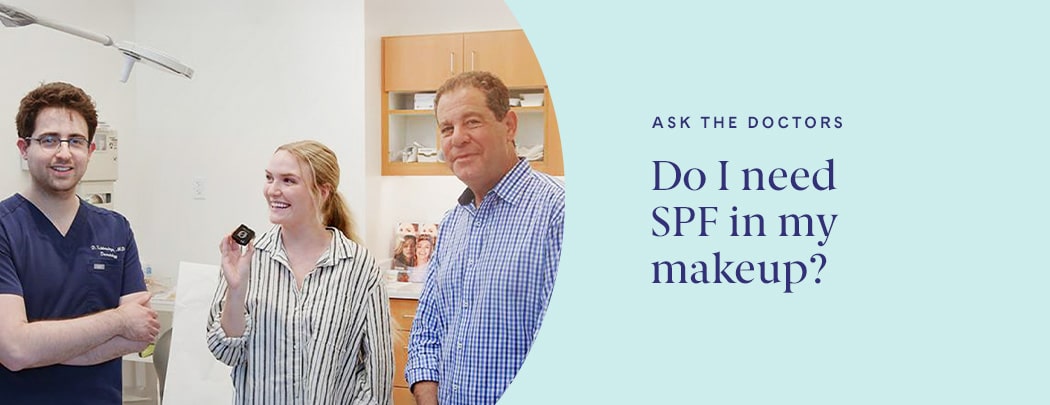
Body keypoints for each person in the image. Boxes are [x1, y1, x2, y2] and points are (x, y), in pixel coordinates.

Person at [405, 71, 565, 405]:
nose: (457, 138)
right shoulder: (452, 223)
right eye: (447, 129)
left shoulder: (557, 212)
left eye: (472, 122)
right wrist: (428, 396)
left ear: (509, 125)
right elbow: (426, 333)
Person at [0, 82, 160, 403]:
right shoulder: (6, 227)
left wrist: (40, 349)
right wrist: (117, 320)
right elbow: (15, 349)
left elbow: (140, 334)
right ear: (23, 148)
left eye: (75, 141)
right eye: (48, 140)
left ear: (89, 151)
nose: (63, 152)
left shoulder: (116, 229)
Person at [206, 140, 393, 404]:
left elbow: (378, 375)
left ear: (322, 191)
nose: (273, 190)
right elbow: (227, 353)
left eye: (288, 181)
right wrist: (236, 290)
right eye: (269, 178)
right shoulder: (247, 258)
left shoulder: (359, 266)